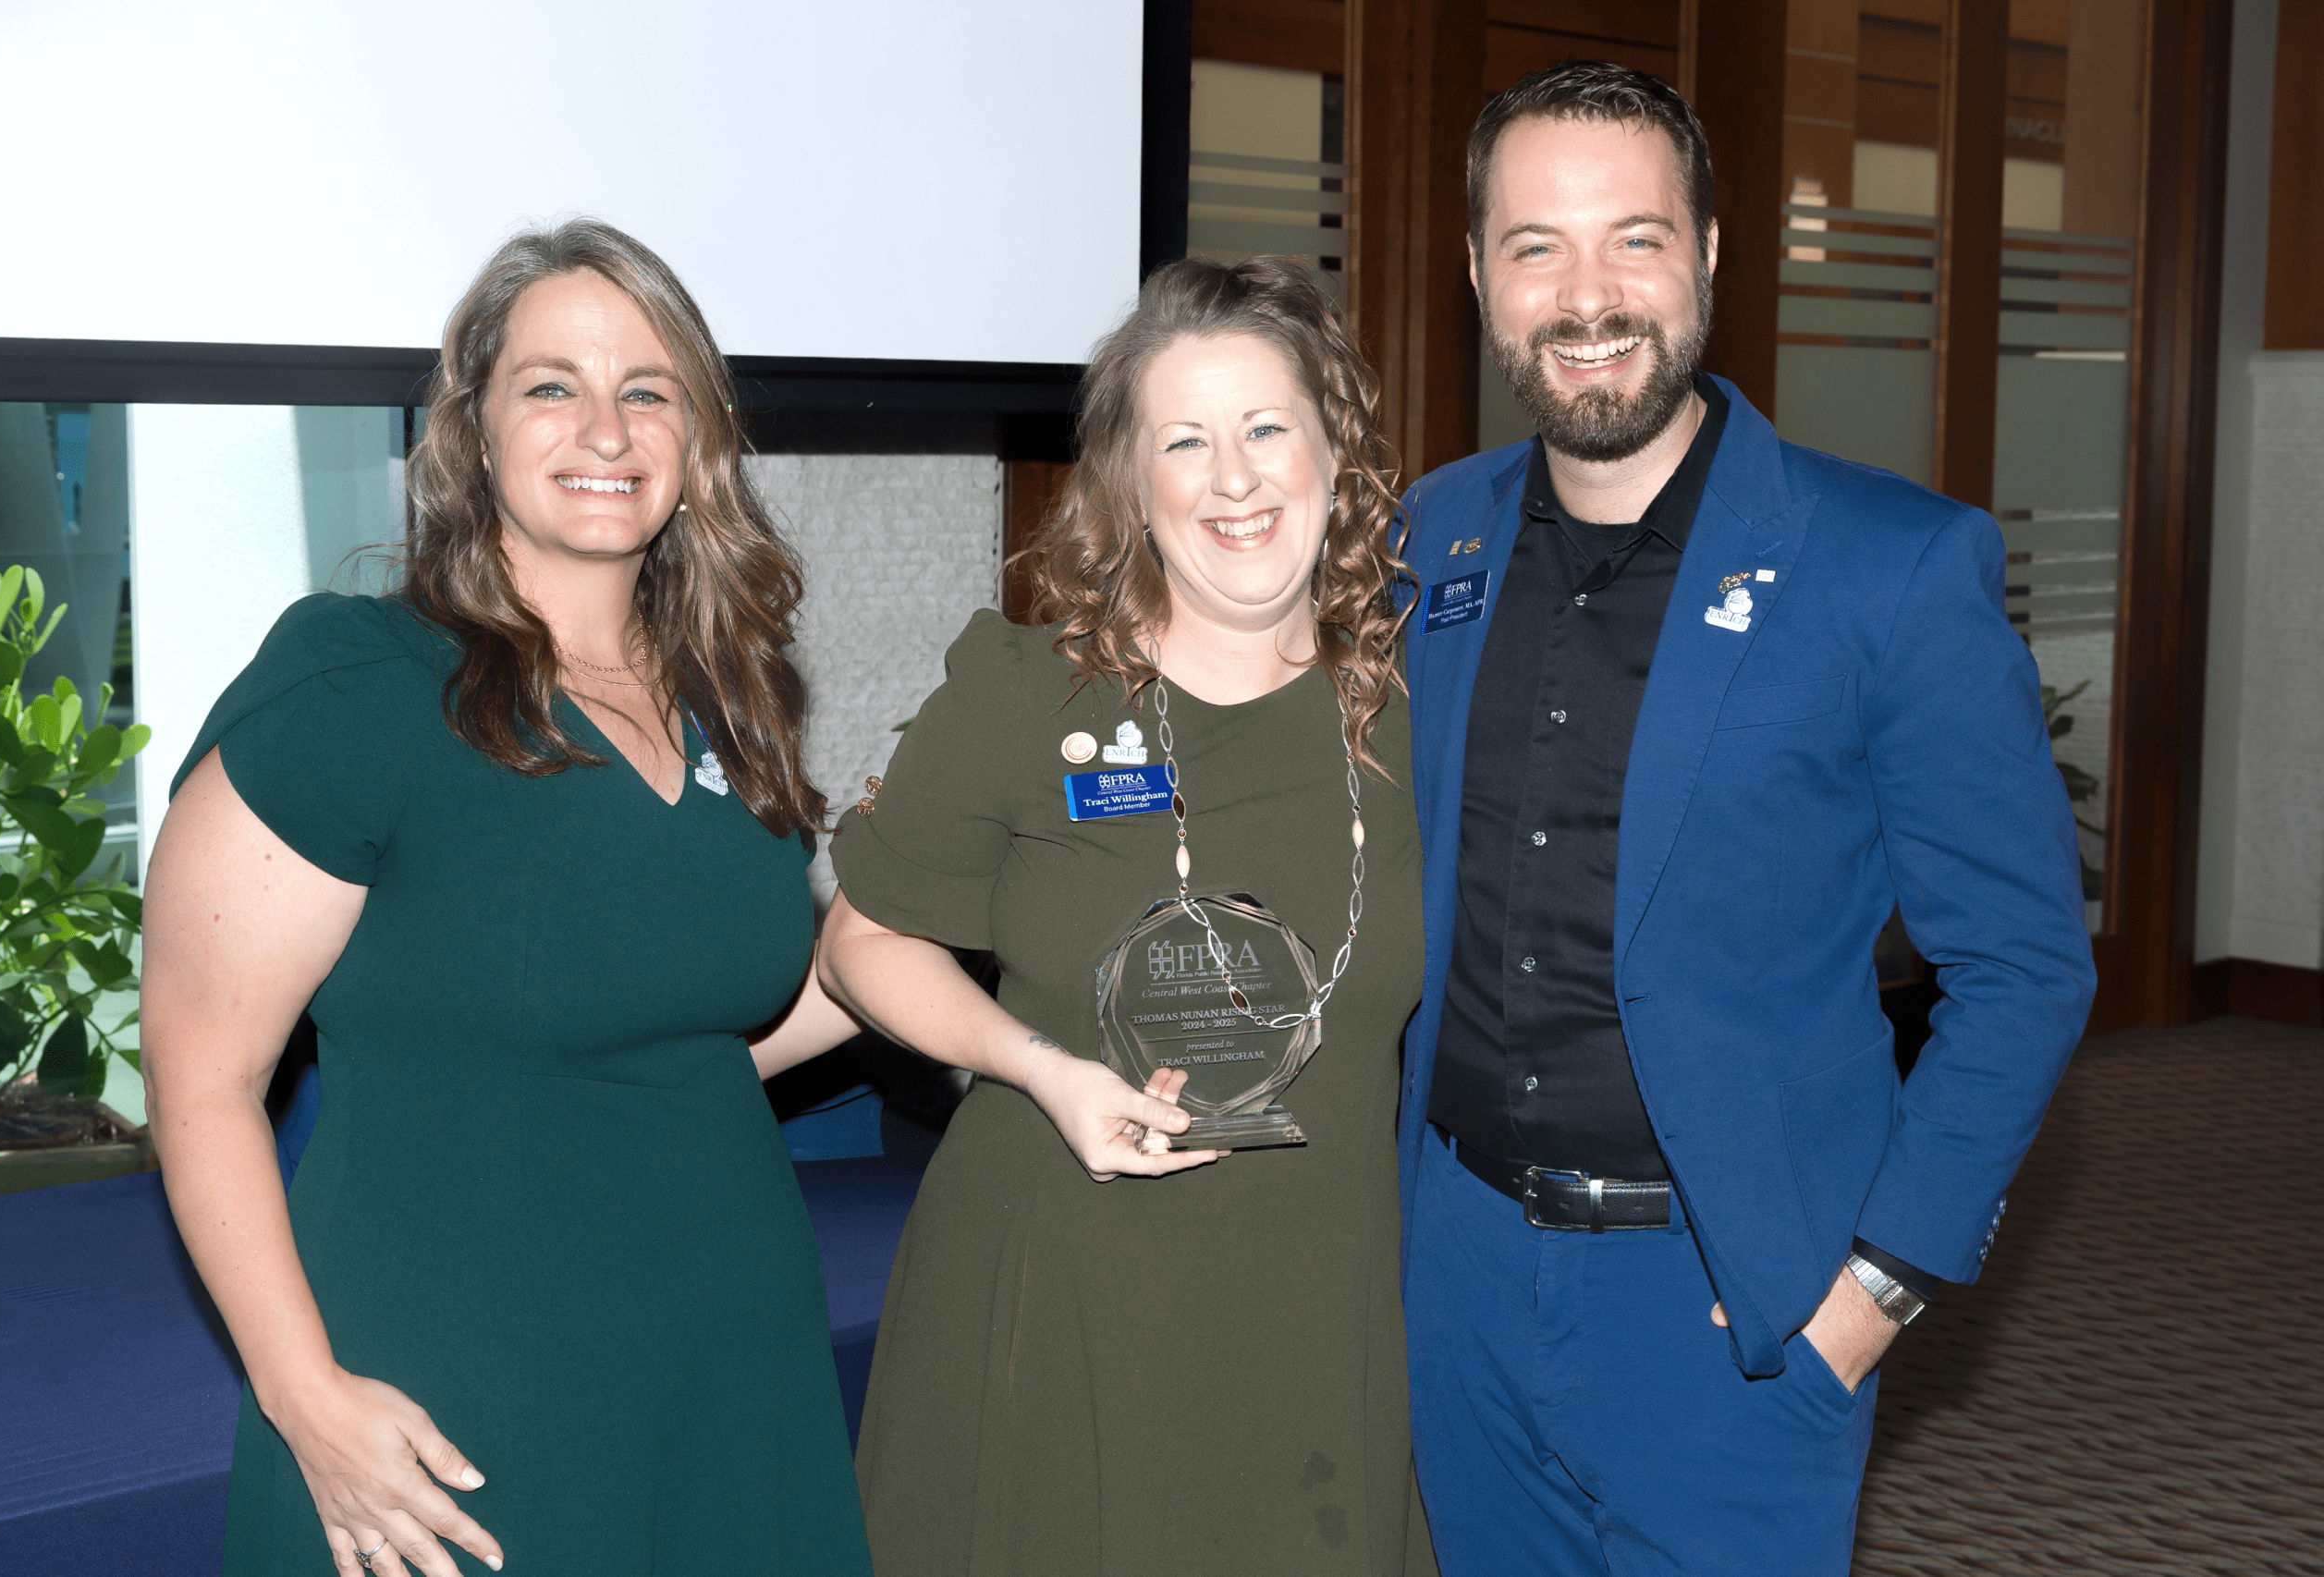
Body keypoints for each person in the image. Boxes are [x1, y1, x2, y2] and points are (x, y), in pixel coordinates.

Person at [1393, 62, 2098, 1575]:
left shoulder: (1892, 566)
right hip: (1456, 1274)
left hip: (1732, 1304)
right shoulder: (1426, 537)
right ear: (1479, 273)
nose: (1589, 296)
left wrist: (1878, 1286)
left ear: (1709, 253)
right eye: (1537, 246)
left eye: (1635, 239)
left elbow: (2026, 964)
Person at [141, 220, 875, 1577]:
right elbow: (201, 1079)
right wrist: (305, 1395)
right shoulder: (356, 684)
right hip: (457, 1390)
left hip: (729, 1372)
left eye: (647, 390)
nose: (606, 429)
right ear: (474, 431)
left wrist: (954, 898)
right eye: (552, 386)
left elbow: (699, 1039)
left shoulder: (732, 699)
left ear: (697, 440)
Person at [819, 257, 1437, 1576]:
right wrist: (1041, 1068)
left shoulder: (1417, 715)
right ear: (1130, 487)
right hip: (1058, 1284)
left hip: (1317, 1305)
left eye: (1267, 428)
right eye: (1185, 442)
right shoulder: (1021, 697)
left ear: (1335, 456)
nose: (1235, 478)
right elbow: (865, 942)